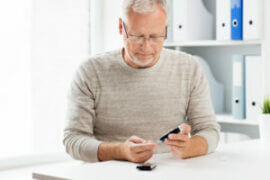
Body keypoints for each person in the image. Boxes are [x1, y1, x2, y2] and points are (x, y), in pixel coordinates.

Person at [63, 0, 220, 163]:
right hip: (110, 173)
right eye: (137, 36)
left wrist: (191, 147)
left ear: (165, 30)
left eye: (155, 36)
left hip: (170, 172)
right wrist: (120, 151)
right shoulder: (90, 72)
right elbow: (73, 139)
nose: (146, 47)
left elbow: (210, 131)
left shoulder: (189, 67)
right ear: (120, 27)